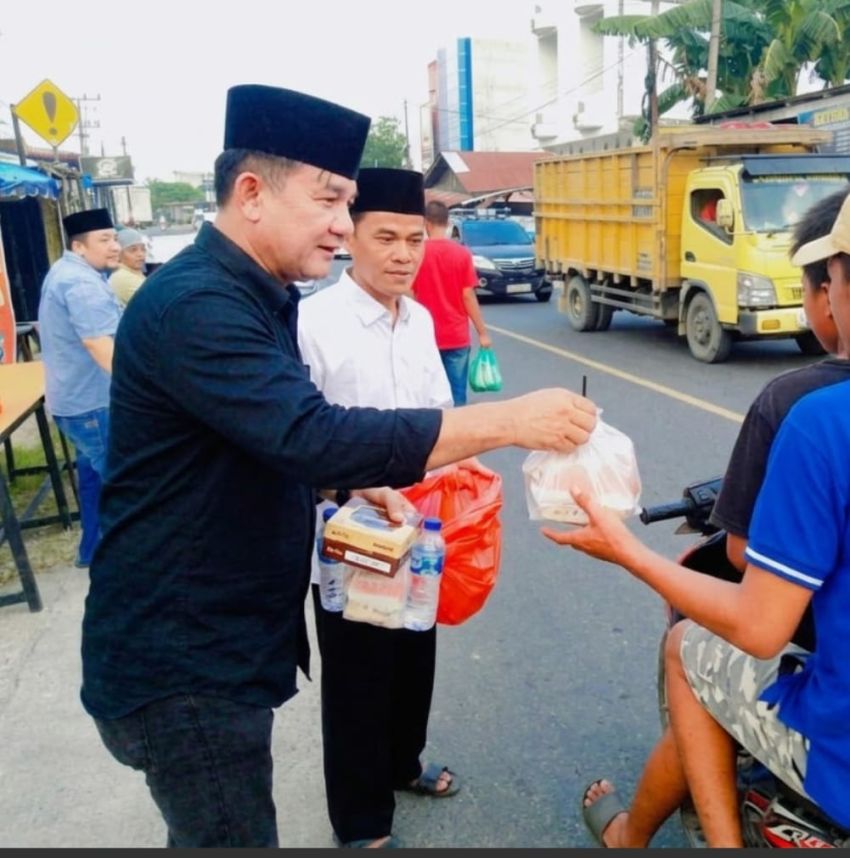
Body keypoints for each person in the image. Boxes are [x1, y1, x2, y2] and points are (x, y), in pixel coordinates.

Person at [80, 84, 598, 849]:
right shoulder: (201, 305)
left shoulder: (256, 294)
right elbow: (312, 431)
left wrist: (353, 483)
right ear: (251, 194)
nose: (338, 227)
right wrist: (510, 421)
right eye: (330, 202)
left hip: (216, 644)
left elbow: (266, 439)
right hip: (183, 666)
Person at [543, 189, 850, 847]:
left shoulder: (812, 415)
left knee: (691, 650)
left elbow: (752, 592)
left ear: (831, 289)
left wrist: (630, 551)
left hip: (838, 746)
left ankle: (686, 840)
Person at [299, 167, 480, 848]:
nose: (404, 254)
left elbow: (438, 416)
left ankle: (403, 764)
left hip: (421, 526)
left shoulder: (423, 318)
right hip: (351, 534)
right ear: (351, 237)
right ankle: (362, 822)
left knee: (414, 657)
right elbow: (296, 438)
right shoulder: (313, 322)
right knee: (356, 680)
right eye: (386, 238)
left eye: (414, 239)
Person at [711, 186, 850, 573]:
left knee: (684, 633)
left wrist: (626, 551)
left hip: (815, 622)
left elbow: (742, 553)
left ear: (828, 292)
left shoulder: (798, 406)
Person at [37, 208, 122, 569]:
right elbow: (98, 345)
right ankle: (123, 563)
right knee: (120, 482)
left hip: (76, 400)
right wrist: (143, 390)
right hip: (92, 404)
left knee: (95, 477)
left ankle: (92, 549)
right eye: (104, 240)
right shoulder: (82, 284)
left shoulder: (68, 272)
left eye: (114, 237)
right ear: (78, 245)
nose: (115, 246)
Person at [412, 200, 491, 405]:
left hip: (424, 336)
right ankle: (457, 435)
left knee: (426, 395)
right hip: (456, 337)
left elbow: (408, 294)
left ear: (426, 223)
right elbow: (468, 296)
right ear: (447, 224)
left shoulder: (417, 253)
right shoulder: (462, 254)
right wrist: (482, 332)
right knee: (456, 394)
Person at [108, 228, 147, 306]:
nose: (140, 254)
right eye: (133, 250)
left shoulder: (133, 272)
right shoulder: (122, 277)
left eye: (143, 249)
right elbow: (156, 306)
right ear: (119, 253)